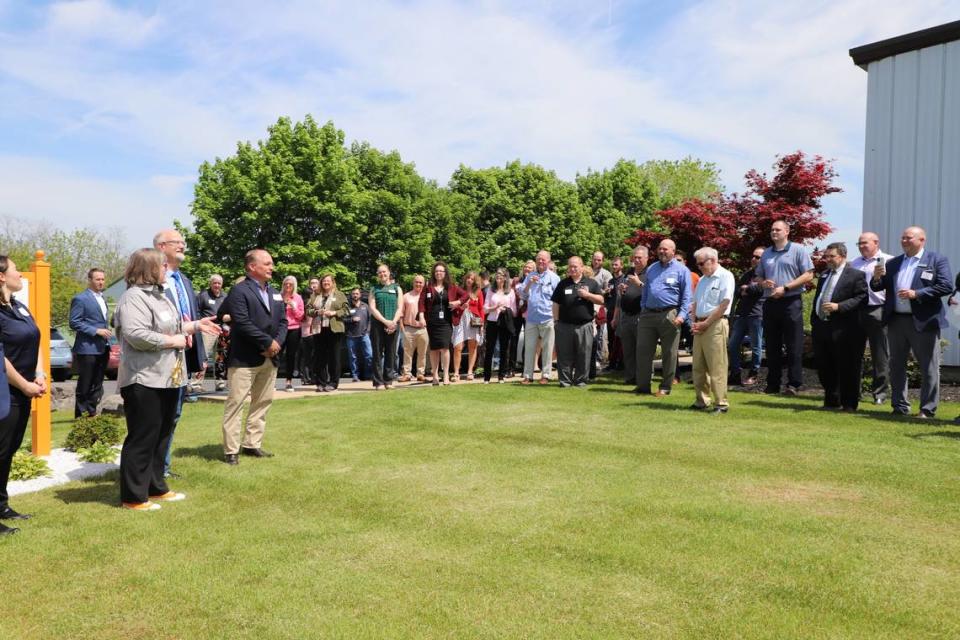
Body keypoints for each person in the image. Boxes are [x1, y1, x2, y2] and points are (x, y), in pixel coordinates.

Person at [114, 248, 219, 510]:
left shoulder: (161, 296)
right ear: (149, 269)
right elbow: (136, 333)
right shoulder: (133, 298)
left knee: (161, 436)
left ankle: (156, 488)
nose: (167, 271)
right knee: (143, 436)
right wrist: (171, 341)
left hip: (169, 379)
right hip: (144, 380)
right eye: (163, 266)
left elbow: (171, 326)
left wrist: (195, 326)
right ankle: (133, 497)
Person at [870, 226, 953, 418]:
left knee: (928, 366)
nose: (904, 241)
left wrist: (917, 294)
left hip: (923, 321)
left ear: (921, 240)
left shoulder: (936, 260)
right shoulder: (894, 263)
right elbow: (878, 287)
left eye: (909, 238)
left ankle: (927, 409)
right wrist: (876, 278)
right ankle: (899, 406)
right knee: (896, 365)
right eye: (902, 238)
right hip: (896, 320)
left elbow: (946, 285)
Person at [220, 249, 287, 464]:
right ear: (251, 267)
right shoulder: (239, 291)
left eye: (271, 263)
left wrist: (276, 343)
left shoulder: (274, 292)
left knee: (262, 402)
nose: (271, 267)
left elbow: (283, 321)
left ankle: (252, 445)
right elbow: (241, 321)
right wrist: (267, 342)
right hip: (244, 358)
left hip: (270, 357)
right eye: (267, 263)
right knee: (236, 403)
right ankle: (231, 451)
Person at [153, 229, 205, 478]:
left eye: (184, 243)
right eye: (178, 243)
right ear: (162, 247)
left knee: (174, 413)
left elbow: (192, 318)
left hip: (184, 357)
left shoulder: (184, 281)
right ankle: (154, 468)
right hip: (159, 359)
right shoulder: (151, 279)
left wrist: (200, 356)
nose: (183, 246)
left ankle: (162, 467)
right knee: (159, 416)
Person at [0, 256, 43, 534]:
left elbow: (35, 339)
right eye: (16, 271)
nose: (21, 276)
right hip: (7, 391)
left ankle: (1, 505)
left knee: (8, 450)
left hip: (26, 390)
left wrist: (39, 375)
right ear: (2, 276)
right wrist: (23, 384)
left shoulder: (18, 306)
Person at [755, 220, 815, 396]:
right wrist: (763, 282)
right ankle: (772, 384)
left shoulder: (798, 250)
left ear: (787, 232)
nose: (774, 232)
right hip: (770, 303)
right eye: (772, 229)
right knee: (772, 346)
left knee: (793, 345)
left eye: (778, 229)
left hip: (791, 302)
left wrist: (786, 287)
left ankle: (793, 384)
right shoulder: (766, 253)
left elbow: (809, 274)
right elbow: (758, 277)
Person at [811, 243, 868, 411]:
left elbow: (862, 297)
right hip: (823, 326)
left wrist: (839, 306)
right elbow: (819, 297)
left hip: (845, 328)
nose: (827, 260)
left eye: (831, 256)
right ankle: (831, 400)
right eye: (826, 256)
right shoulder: (824, 275)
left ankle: (849, 403)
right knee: (825, 365)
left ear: (842, 256)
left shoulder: (856, 275)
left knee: (847, 366)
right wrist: (815, 320)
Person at [636, 239, 691, 397]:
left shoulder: (682, 270)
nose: (662, 251)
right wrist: (643, 308)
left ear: (673, 252)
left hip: (670, 314)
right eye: (660, 249)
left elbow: (687, 297)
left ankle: (665, 387)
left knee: (669, 353)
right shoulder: (652, 268)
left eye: (665, 249)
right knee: (643, 351)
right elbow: (646, 290)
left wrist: (681, 316)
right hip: (648, 314)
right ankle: (643, 387)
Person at [689, 247, 736, 413]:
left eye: (702, 263)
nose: (699, 266)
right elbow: (694, 303)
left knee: (717, 365)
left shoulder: (725, 276)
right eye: (698, 264)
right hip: (700, 325)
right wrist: (694, 322)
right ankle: (701, 400)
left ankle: (721, 403)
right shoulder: (702, 280)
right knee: (698, 366)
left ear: (713, 260)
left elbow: (724, 304)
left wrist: (706, 323)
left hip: (715, 324)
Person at [850, 232, 894, 404]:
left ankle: (880, 394)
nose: (861, 246)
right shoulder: (854, 263)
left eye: (865, 243)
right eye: (859, 243)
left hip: (878, 310)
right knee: (854, 353)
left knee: (880, 354)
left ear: (876, 242)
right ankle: (854, 391)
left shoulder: (889, 261)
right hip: (856, 311)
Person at [551, 257, 604, 387]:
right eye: (570, 266)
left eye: (575, 266)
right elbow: (556, 303)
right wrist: (556, 321)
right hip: (564, 325)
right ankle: (565, 381)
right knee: (564, 355)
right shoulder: (563, 284)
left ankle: (581, 380)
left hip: (584, 325)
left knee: (584, 354)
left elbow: (601, 300)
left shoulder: (591, 283)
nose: (572, 269)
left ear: (581, 267)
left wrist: (587, 295)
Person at [69, 267, 111, 417]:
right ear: (90, 280)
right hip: (87, 348)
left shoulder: (103, 298)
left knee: (97, 383)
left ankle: (91, 412)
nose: (101, 282)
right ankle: (81, 415)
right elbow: (74, 322)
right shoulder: (81, 299)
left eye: (102, 279)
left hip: (103, 347)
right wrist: (96, 331)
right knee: (85, 383)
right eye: (97, 279)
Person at [519, 250, 560, 385]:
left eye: (543, 259)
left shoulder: (554, 278)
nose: (541, 262)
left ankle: (546, 375)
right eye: (538, 259)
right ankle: (528, 376)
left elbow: (557, 299)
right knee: (529, 348)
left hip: (548, 317)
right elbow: (523, 296)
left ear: (548, 261)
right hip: (531, 318)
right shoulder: (530, 275)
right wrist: (529, 283)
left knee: (548, 348)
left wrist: (556, 318)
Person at [420, 261, 463, 385]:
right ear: (434, 273)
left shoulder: (451, 287)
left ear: (445, 273)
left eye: (441, 271)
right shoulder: (428, 286)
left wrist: (457, 303)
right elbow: (421, 303)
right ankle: (435, 376)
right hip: (432, 322)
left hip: (446, 322)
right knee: (433, 349)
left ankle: (445, 376)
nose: (439, 273)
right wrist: (422, 317)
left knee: (445, 348)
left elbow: (465, 295)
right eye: (437, 271)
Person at [727, 248, 765, 387]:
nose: (754, 259)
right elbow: (737, 291)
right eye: (753, 256)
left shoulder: (766, 274)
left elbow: (760, 289)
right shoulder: (747, 274)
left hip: (757, 314)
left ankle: (753, 374)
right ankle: (735, 373)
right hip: (742, 314)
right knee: (732, 344)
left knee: (756, 346)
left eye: (757, 257)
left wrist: (747, 289)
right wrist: (745, 289)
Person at [612, 246, 649, 386]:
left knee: (642, 350)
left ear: (647, 258)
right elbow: (621, 296)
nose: (637, 260)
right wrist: (621, 290)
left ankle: (643, 379)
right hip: (626, 316)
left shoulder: (650, 273)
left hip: (641, 316)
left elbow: (653, 292)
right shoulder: (629, 273)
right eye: (635, 257)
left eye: (640, 257)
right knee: (628, 350)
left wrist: (639, 284)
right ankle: (630, 377)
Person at [307, 274, 348, 392]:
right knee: (320, 357)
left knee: (334, 357)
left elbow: (346, 310)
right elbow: (308, 310)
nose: (326, 283)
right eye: (324, 281)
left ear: (332, 282)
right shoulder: (315, 295)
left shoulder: (339, 295)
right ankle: (321, 383)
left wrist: (334, 313)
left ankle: (333, 383)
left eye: (328, 281)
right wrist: (316, 311)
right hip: (318, 329)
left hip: (334, 329)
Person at [367, 264, 402, 390]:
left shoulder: (397, 288)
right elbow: (372, 307)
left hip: (393, 323)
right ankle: (378, 382)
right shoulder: (373, 289)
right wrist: (385, 321)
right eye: (380, 272)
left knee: (391, 353)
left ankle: (388, 380)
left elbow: (400, 307)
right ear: (378, 275)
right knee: (377, 353)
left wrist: (393, 322)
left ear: (389, 272)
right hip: (377, 324)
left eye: (384, 272)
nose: (382, 274)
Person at [482, 268, 517, 384]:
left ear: (506, 277)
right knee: (490, 349)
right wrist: (495, 308)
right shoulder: (490, 291)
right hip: (492, 321)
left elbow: (514, 311)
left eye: (501, 275)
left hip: (505, 321)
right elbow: (485, 309)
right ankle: (486, 377)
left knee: (504, 349)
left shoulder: (510, 292)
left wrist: (506, 309)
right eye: (497, 274)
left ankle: (501, 376)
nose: (499, 276)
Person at [197, 274, 227, 391]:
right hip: (207, 330)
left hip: (221, 330)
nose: (217, 285)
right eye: (215, 283)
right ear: (210, 283)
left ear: (222, 285)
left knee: (220, 357)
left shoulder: (225, 296)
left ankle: (220, 384)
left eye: (219, 283)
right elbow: (197, 312)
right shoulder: (203, 295)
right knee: (203, 356)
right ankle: (196, 384)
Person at [452, 271, 484, 382]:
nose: (469, 280)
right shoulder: (459, 291)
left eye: (472, 278)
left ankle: (470, 371)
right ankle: (456, 373)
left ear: (475, 281)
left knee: (473, 346)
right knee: (457, 346)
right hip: (460, 319)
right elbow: (453, 306)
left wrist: (482, 323)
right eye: (468, 278)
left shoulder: (478, 292)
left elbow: (481, 309)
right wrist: (461, 307)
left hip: (474, 320)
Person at [400, 275, 428, 382]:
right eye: (416, 282)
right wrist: (402, 327)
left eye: (420, 282)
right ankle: (407, 374)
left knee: (422, 353)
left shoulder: (426, 296)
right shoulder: (406, 296)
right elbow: (401, 313)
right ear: (413, 283)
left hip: (423, 329)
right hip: (409, 328)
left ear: (424, 284)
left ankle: (420, 374)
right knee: (407, 353)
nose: (418, 284)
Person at [509, 260, 535, 376]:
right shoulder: (516, 281)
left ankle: (526, 367)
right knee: (513, 339)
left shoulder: (535, 281)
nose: (527, 269)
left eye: (530, 268)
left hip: (529, 313)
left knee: (528, 340)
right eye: (526, 267)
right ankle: (511, 368)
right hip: (516, 313)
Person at [279, 276, 305, 392]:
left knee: (291, 356)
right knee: (276, 354)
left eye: (290, 284)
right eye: (286, 284)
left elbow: (300, 316)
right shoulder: (277, 296)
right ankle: (271, 381)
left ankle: (288, 382)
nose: (288, 286)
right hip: (280, 329)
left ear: (294, 285)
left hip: (294, 329)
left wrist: (293, 306)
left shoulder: (298, 298)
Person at [344, 287, 372, 382]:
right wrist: (351, 319)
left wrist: (368, 331)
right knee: (353, 357)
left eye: (357, 293)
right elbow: (343, 320)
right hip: (351, 336)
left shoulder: (366, 306)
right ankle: (355, 376)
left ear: (360, 295)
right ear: (351, 295)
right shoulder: (347, 307)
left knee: (369, 355)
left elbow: (370, 320)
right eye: (353, 294)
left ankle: (368, 374)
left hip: (364, 335)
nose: (355, 295)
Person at [298, 278, 321, 386]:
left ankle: (305, 378)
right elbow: (310, 318)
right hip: (312, 332)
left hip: (303, 334)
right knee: (314, 357)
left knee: (306, 358)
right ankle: (313, 378)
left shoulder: (300, 303)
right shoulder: (310, 304)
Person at [605, 256, 626, 371]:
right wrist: (605, 293)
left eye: (616, 265)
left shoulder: (624, 279)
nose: (614, 267)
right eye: (613, 265)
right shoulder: (611, 281)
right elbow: (607, 298)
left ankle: (621, 364)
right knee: (611, 339)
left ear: (621, 266)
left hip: (621, 313)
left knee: (621, 339)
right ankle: (611, 363)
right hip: (610, 312)